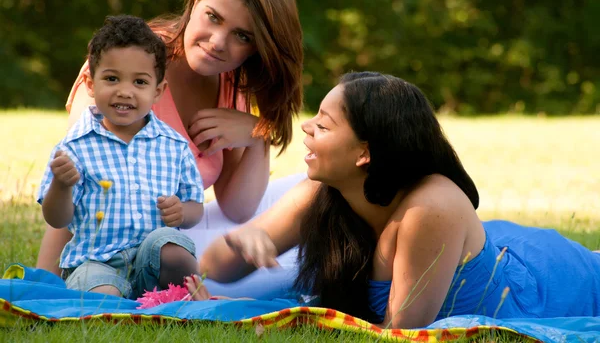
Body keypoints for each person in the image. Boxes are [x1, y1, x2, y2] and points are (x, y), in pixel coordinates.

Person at [187, 71, 600, 328]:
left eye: (325, 125)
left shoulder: (429, 208)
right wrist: (240, 243)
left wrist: (278, 321)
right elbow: (213, 269)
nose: (307, 127)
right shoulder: (322, 193)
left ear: (364, 153)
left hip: (558, 284)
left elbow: (400, 332)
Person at [36, 0, 305, 291]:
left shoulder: (231, 84)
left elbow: (238, 209)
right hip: (100, 255)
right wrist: (44, 290)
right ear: (194, 3)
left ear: (256, 49)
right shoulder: (127, 67)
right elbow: (78, 184)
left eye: (243, 36)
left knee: (314, 199)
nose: (218, 43)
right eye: (214, 17)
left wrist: (257, 132)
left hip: (166, 247)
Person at [38, 15, 205, 298]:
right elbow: (57, 219)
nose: (124, 91)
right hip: (95, 261)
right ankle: (116, 299)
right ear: (91, 84)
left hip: (150, 261)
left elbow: (195, 208)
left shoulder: (174, 146)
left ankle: (180, 294)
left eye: (139, 82)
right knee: (103, 294)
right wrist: (61, 186)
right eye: (112, 78)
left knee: (174, 249)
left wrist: (182, 211)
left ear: (158, 91)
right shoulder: (75, 147)